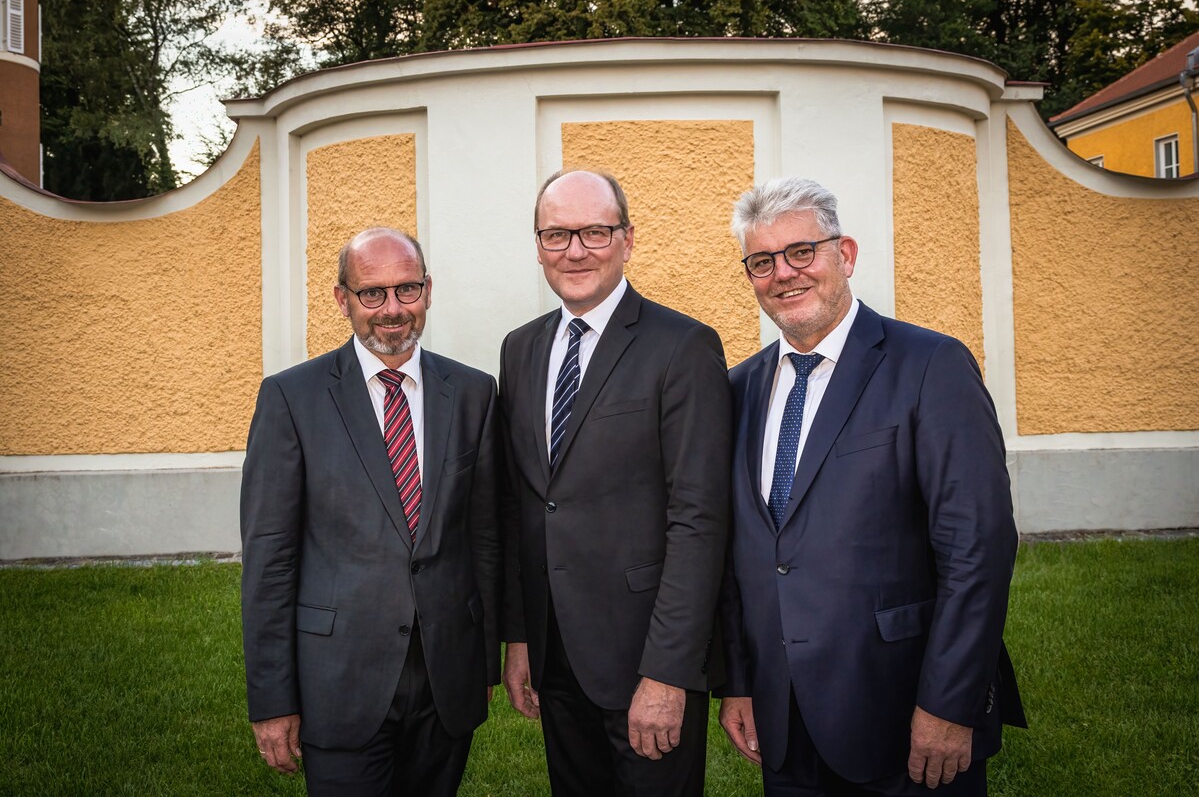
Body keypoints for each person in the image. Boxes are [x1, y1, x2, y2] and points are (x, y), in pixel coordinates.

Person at [718, 178, 1025, 796]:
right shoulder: (738, 388)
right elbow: (736, 551)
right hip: (783, 718)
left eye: (801, 251)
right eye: (762, 262)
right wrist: (739, 681)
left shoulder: (930, 365)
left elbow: (978, 549)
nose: (783, 273)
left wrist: (950, 703)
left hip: (903, 711)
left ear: (846, 254)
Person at [240, 226, 501, 796]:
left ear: (427, 290)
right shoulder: (291, 398)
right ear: (343, 299)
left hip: (445, 678)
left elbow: (482, 540)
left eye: (407, 289)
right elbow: (269, 562)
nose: (392, 309)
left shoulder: (474, 393)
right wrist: (273, 698)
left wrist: (483, 665)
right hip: (338, 679)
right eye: (372, 293)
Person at [499, 169, 732, 796]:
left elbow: (699, 521)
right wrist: (520, 636)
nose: (575, 250)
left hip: (643, 657)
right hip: (556, 654)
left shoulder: (683, 346)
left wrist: (668, 672)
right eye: (556, 235)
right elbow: (523, 505)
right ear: (539, 245)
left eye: (594, 232)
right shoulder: (520, 350)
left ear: (628, 239)